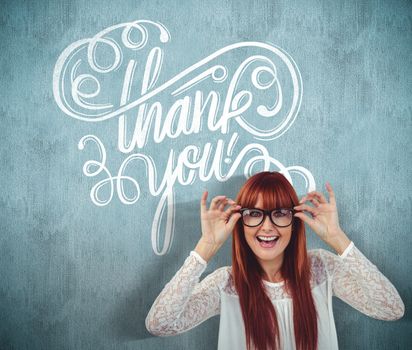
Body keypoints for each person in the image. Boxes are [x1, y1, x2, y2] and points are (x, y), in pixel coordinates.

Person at [145, 171, 405, 350]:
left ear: (295, 221)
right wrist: (206, 247)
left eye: (279, 213)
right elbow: (160, 324)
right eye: (254, 214)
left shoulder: (321, 270)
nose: (267, 227)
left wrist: (337, 238)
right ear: (240, 221)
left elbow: (392, 309)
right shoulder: (226, 285)